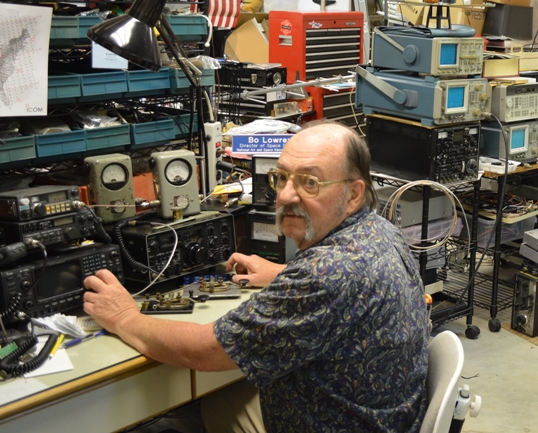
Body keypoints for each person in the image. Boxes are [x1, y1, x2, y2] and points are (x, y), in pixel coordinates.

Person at [83, 121, 430, 432]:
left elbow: (203, 352)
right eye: (281, 177)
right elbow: (348, 286)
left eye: (310, 183)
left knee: (184, 417)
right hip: (386, 418)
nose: (285, 195)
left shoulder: (324, 276)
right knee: (222, 400)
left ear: (353, 194)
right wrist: (281, 273)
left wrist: (125, 316)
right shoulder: (380, 230)